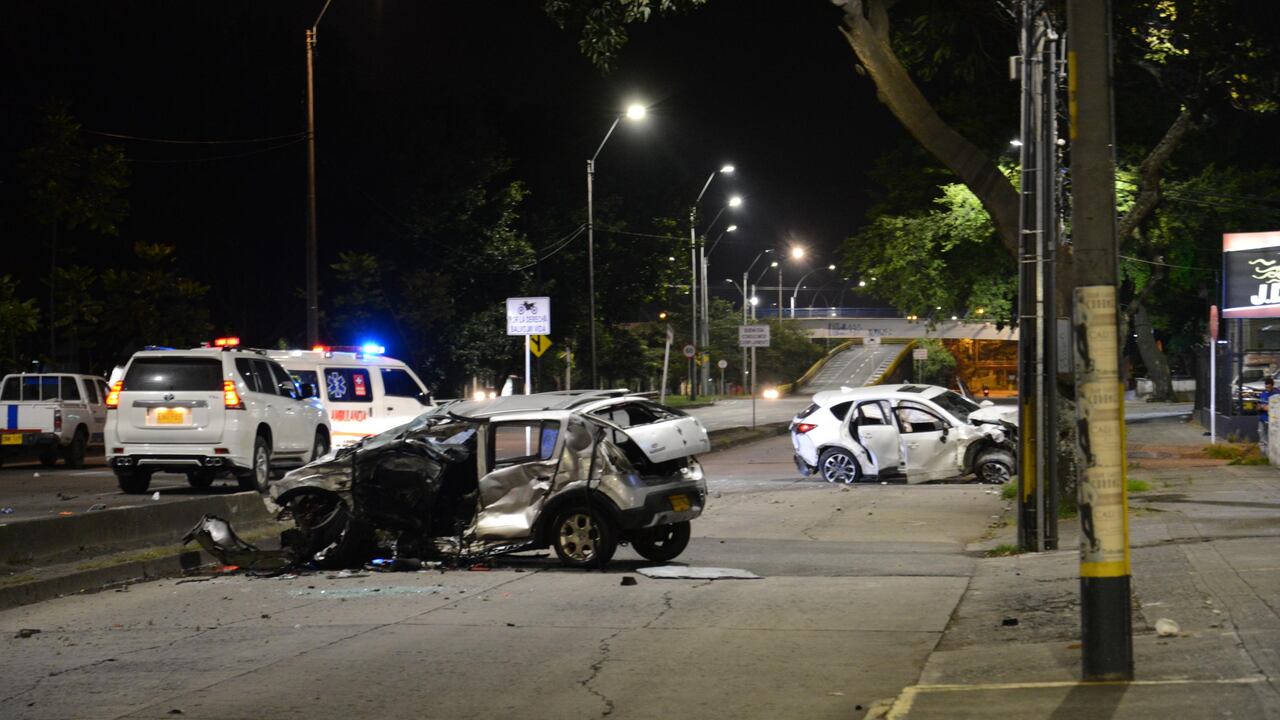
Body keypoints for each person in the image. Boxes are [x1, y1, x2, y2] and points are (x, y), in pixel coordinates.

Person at [1260, 377, 1276, 452]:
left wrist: (1269, 408)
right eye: (1266, 387)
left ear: (1272, 386)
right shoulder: (1263, 394)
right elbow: (1258, 405)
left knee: (1272, 438)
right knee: (1262, 438)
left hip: (1272, 420)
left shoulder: (1276, 394)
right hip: (1262, 419)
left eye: (1269, 387)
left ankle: (1271, 453)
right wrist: (1261, 407)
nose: (1267, 389)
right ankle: (1263, 454)